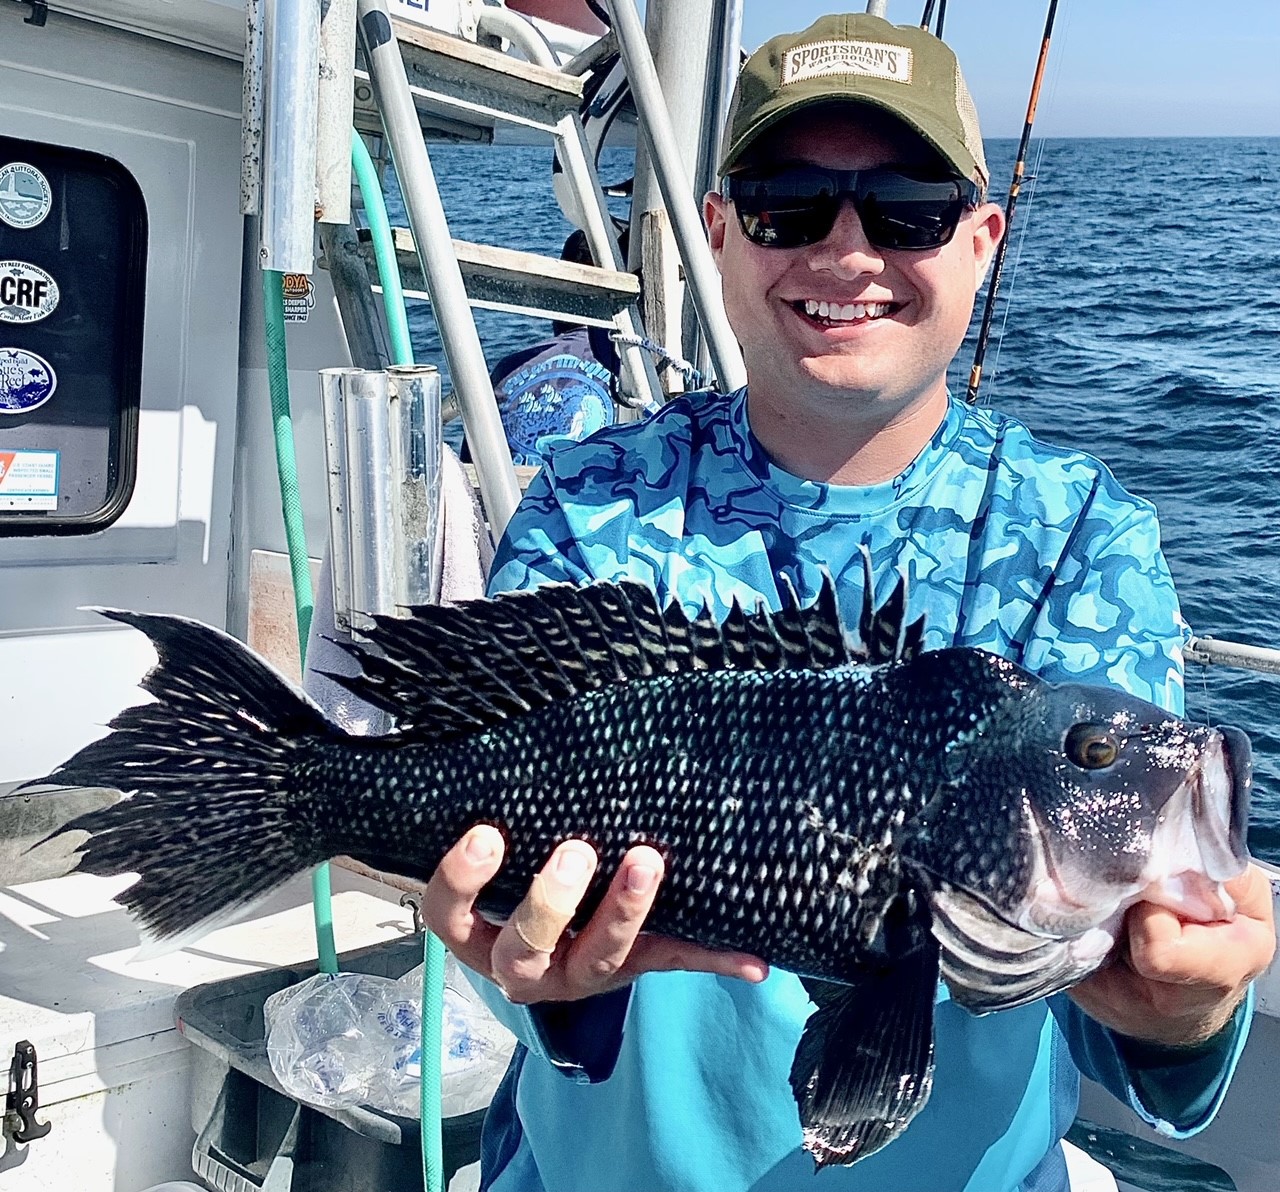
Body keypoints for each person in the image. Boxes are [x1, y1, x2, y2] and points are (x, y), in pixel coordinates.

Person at [416, 14, 1276, 1191]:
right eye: (785, 204)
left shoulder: (1084, 539)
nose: (846, 249)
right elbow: (512, 933)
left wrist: (1180, 1014)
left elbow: (1118, 1003)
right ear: (718, 235)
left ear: (980, 241)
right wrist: (531, 984)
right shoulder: (585, 504)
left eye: (909, 208)